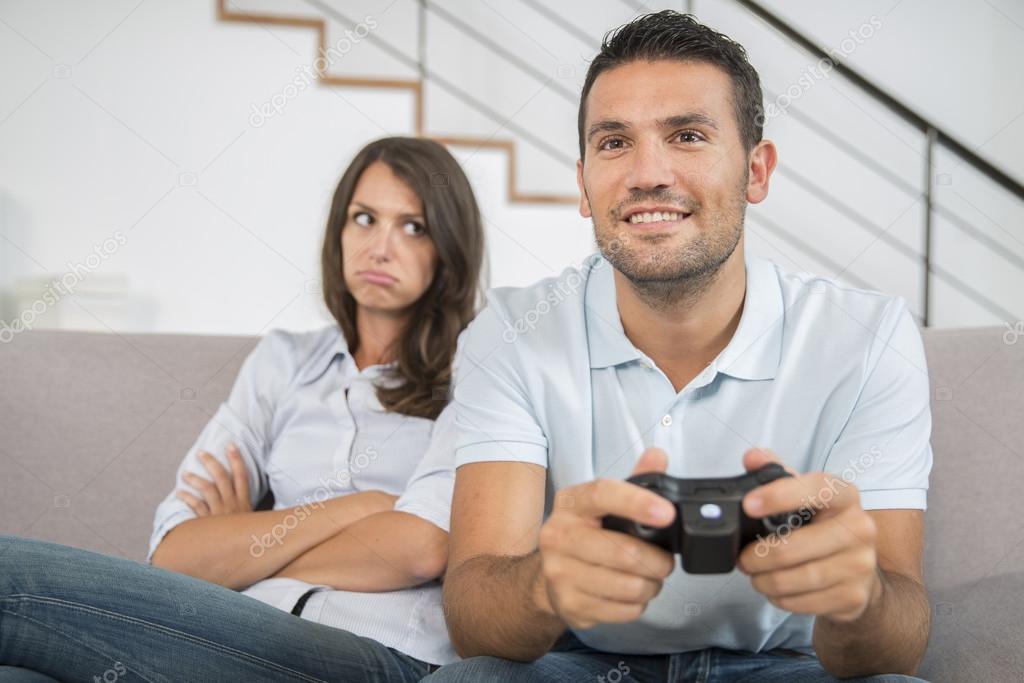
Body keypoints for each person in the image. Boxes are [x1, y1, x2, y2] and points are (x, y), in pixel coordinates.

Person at [426, 11, 932, 682]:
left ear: (757, 170)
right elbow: (472, 616)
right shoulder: (513, 331)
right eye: (614, 143)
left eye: (687, 135)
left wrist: (860, 598)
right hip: (581, 664)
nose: (647, 174)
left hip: (787, 665)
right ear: (583, 183)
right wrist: (544, 583)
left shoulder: (870, 338)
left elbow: (895, 642)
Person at [0, 136, 484, 682]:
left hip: (380, 650)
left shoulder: (478, 372)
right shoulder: (282, 361)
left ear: (447, 247)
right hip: (238, 631)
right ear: (339, 231)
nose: (379, 247)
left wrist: (243, 549)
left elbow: (421, 547)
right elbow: (175, 555)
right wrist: (364, 507)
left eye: (412, 227)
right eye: (364, 218)